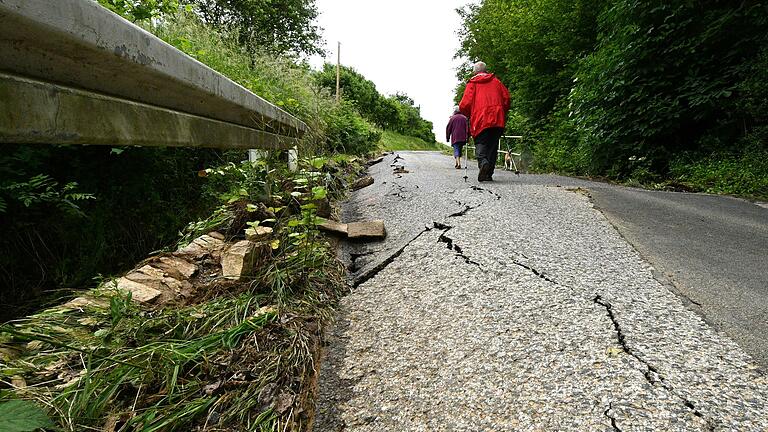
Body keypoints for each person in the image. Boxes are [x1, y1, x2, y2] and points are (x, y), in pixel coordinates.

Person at [459, 61, 510, 182]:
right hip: (498, 118)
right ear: (485, 70)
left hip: (480, 118)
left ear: (475, 72)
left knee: (481, 142)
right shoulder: (496, 82)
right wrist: (502, 111)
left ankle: (483, 163)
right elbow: (506, 98)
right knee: (492, 146)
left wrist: (469, 114)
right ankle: (489, 174)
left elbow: (465, 104)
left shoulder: (473, 84)